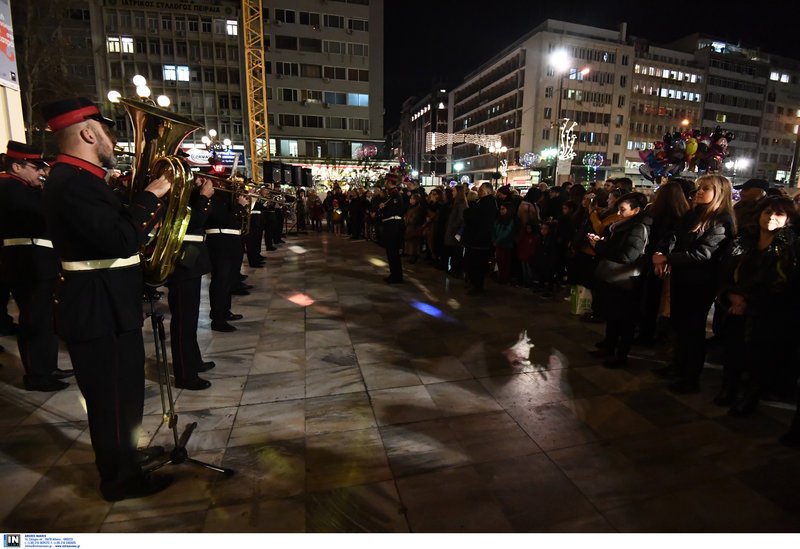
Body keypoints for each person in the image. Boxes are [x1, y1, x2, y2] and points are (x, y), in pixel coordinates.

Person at [41, 97, 173, 501]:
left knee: (124, 394)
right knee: (113, 399)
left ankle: (124, 457)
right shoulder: (72, 183)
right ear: (87, 133)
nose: (113, 141)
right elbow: (119, 239)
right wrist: (149, 196)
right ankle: (120, 479)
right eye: (107, 132)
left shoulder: (83, 180)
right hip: (98, 308)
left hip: (108, 303)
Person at [652, 174, 735, 393]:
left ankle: (690, 377)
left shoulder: (720, 221)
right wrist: (661, 253)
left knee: (693, 330)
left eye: (705, 188)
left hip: (700, 283)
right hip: (682, 277)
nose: (699, 192)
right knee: (679, 325)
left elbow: (703, 254)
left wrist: (668, 258)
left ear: (719, 193)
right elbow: (673, 236)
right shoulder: (693, 214)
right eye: (699, 187)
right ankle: (678, 366)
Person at [0, 141, 72, 391]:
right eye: (36, 167)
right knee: (34, 321)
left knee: (45, 319)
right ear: (17, 167)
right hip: (27, 264)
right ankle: (36, 375)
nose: (41, 172)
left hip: (39, 262)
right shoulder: (9, 187)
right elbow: (43, 214)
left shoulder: (23, 188)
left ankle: (47, 367)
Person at [587, 192, 651, 368]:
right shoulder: (621, 226)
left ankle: (621, 355)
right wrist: (600, 243)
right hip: (615, 278)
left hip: (625, 280)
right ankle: (609, 346)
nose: (618, 213)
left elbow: (627, 255)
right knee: (613, 315)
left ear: (636, 210)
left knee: (625, 320)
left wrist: (600, 245)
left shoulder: (637, 228)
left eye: (623, 209)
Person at [167, 175, 216, 390]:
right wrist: (203, 197)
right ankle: (185, 374)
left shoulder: (182, 194)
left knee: (190, 319)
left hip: (190, 261)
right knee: (183, 321)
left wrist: (198, 193)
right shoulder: (170, 195)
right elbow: (191, 222)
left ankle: (193, 360)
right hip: (181, 261)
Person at [205, 178, 248, 332]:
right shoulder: (212, 199)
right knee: (220, 280)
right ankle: (218, 318)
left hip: (232, 240)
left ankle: (225, 311)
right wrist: (239, 206)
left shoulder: (227, 200)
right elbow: (224, 220)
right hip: (220, 241)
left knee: (229, 279)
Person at [462, 183, 498, 294]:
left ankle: (477, 286)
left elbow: (475, 218)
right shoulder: (483, 202)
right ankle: (474, 283)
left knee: (477, 264)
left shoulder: (487, 203)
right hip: (477, 238)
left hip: (479, 239)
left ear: (488, 191)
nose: (479, 192)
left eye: (481, 190)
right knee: (473, 263)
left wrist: (467, 213)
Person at [380, 173, 405, 283]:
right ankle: (393, 274)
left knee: (393, 252)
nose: (385, 183)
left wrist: (383, 209)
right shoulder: (391, 195)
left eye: (386, 181)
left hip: (394, 226)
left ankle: (397, 276)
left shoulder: (395, 195)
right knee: (390, 252)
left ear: (390, 182)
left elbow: (396, 211)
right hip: (390, 225)